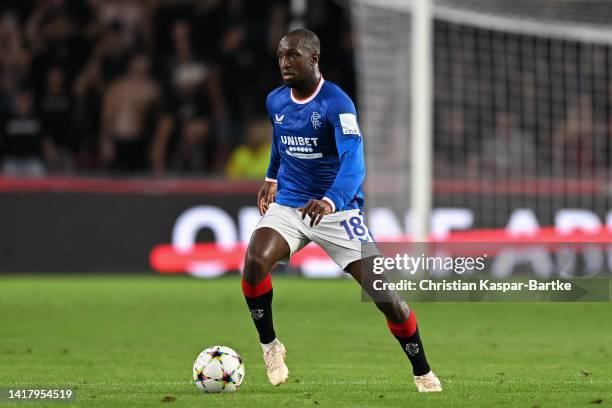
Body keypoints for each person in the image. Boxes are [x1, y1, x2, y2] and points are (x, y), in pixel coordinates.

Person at [241, 28, 442, 392]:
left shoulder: (337, 104)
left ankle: (423, 371)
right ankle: (270, 345)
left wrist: (332, 200)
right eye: (281, 56)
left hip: (338, 212)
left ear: (314, 58)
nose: (285, 63)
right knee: (255, 260)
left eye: (293, 56)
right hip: (290, 206)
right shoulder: (276, 100)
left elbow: (354, 163)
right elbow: (280, 138)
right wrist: (272, 176)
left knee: (386, 296)